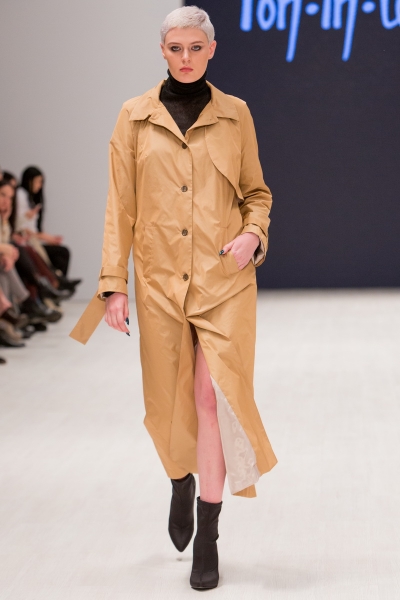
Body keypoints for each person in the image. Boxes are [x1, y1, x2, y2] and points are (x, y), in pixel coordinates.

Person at [71, 6, 277, 590]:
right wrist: (114, 283)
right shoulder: (133, 118)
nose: (186, 58)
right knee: (167, 405)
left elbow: (257, 193)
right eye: (175, 48)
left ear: (212, 50)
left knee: (213, 397)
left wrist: (253, 234)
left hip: (223, 280)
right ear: (162, 52)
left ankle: (208, 534)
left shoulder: (236, 114)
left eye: (196, 48)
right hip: (160, 282)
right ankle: (179, 481)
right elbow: (120, 205)